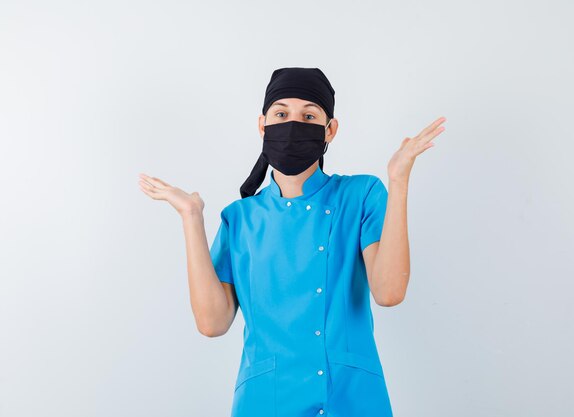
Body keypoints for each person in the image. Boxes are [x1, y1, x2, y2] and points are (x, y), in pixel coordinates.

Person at [138, 67, 446, 417]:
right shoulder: (240, 218)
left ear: (330, 130)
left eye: (309, 115)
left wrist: (399, 179)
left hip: (351, 398)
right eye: (281, 113)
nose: (293, 124)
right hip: (267, 402)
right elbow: (212, 322)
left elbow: (389, 292)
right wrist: (191, 217)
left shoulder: (361, 195)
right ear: (262, 125)